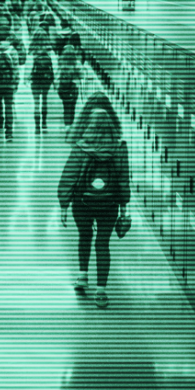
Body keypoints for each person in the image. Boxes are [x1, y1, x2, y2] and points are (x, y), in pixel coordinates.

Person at [57, 106, 129, 308]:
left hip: (82, 203)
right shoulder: (120, 148)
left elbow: (68, 177)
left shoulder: (80, 147)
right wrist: (123, 208)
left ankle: (82, 276)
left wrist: (64, 205)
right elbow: (123, 180)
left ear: (89, 125)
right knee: (103, 243)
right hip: (109, 204)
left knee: (85, 236)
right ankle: (101, 291)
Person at [29, 45, 56, 133]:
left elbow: (31, 71)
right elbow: (52, 71)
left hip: (35, 82)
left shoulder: (34, 58)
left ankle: (37, 127)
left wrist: (29, 79)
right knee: (44, 101)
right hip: (45, 82)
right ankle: (44, 124)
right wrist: (53, 81)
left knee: (36, 104)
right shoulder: (48, 58)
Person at [57, 45, 81, 126]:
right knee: (72, 108)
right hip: (73, 89)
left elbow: (58, 75)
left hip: (63, 88)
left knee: (66, 108)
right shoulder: (76, 64)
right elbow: (81, 76)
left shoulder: (61, 63)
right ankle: (71, 124)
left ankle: (67, 125)